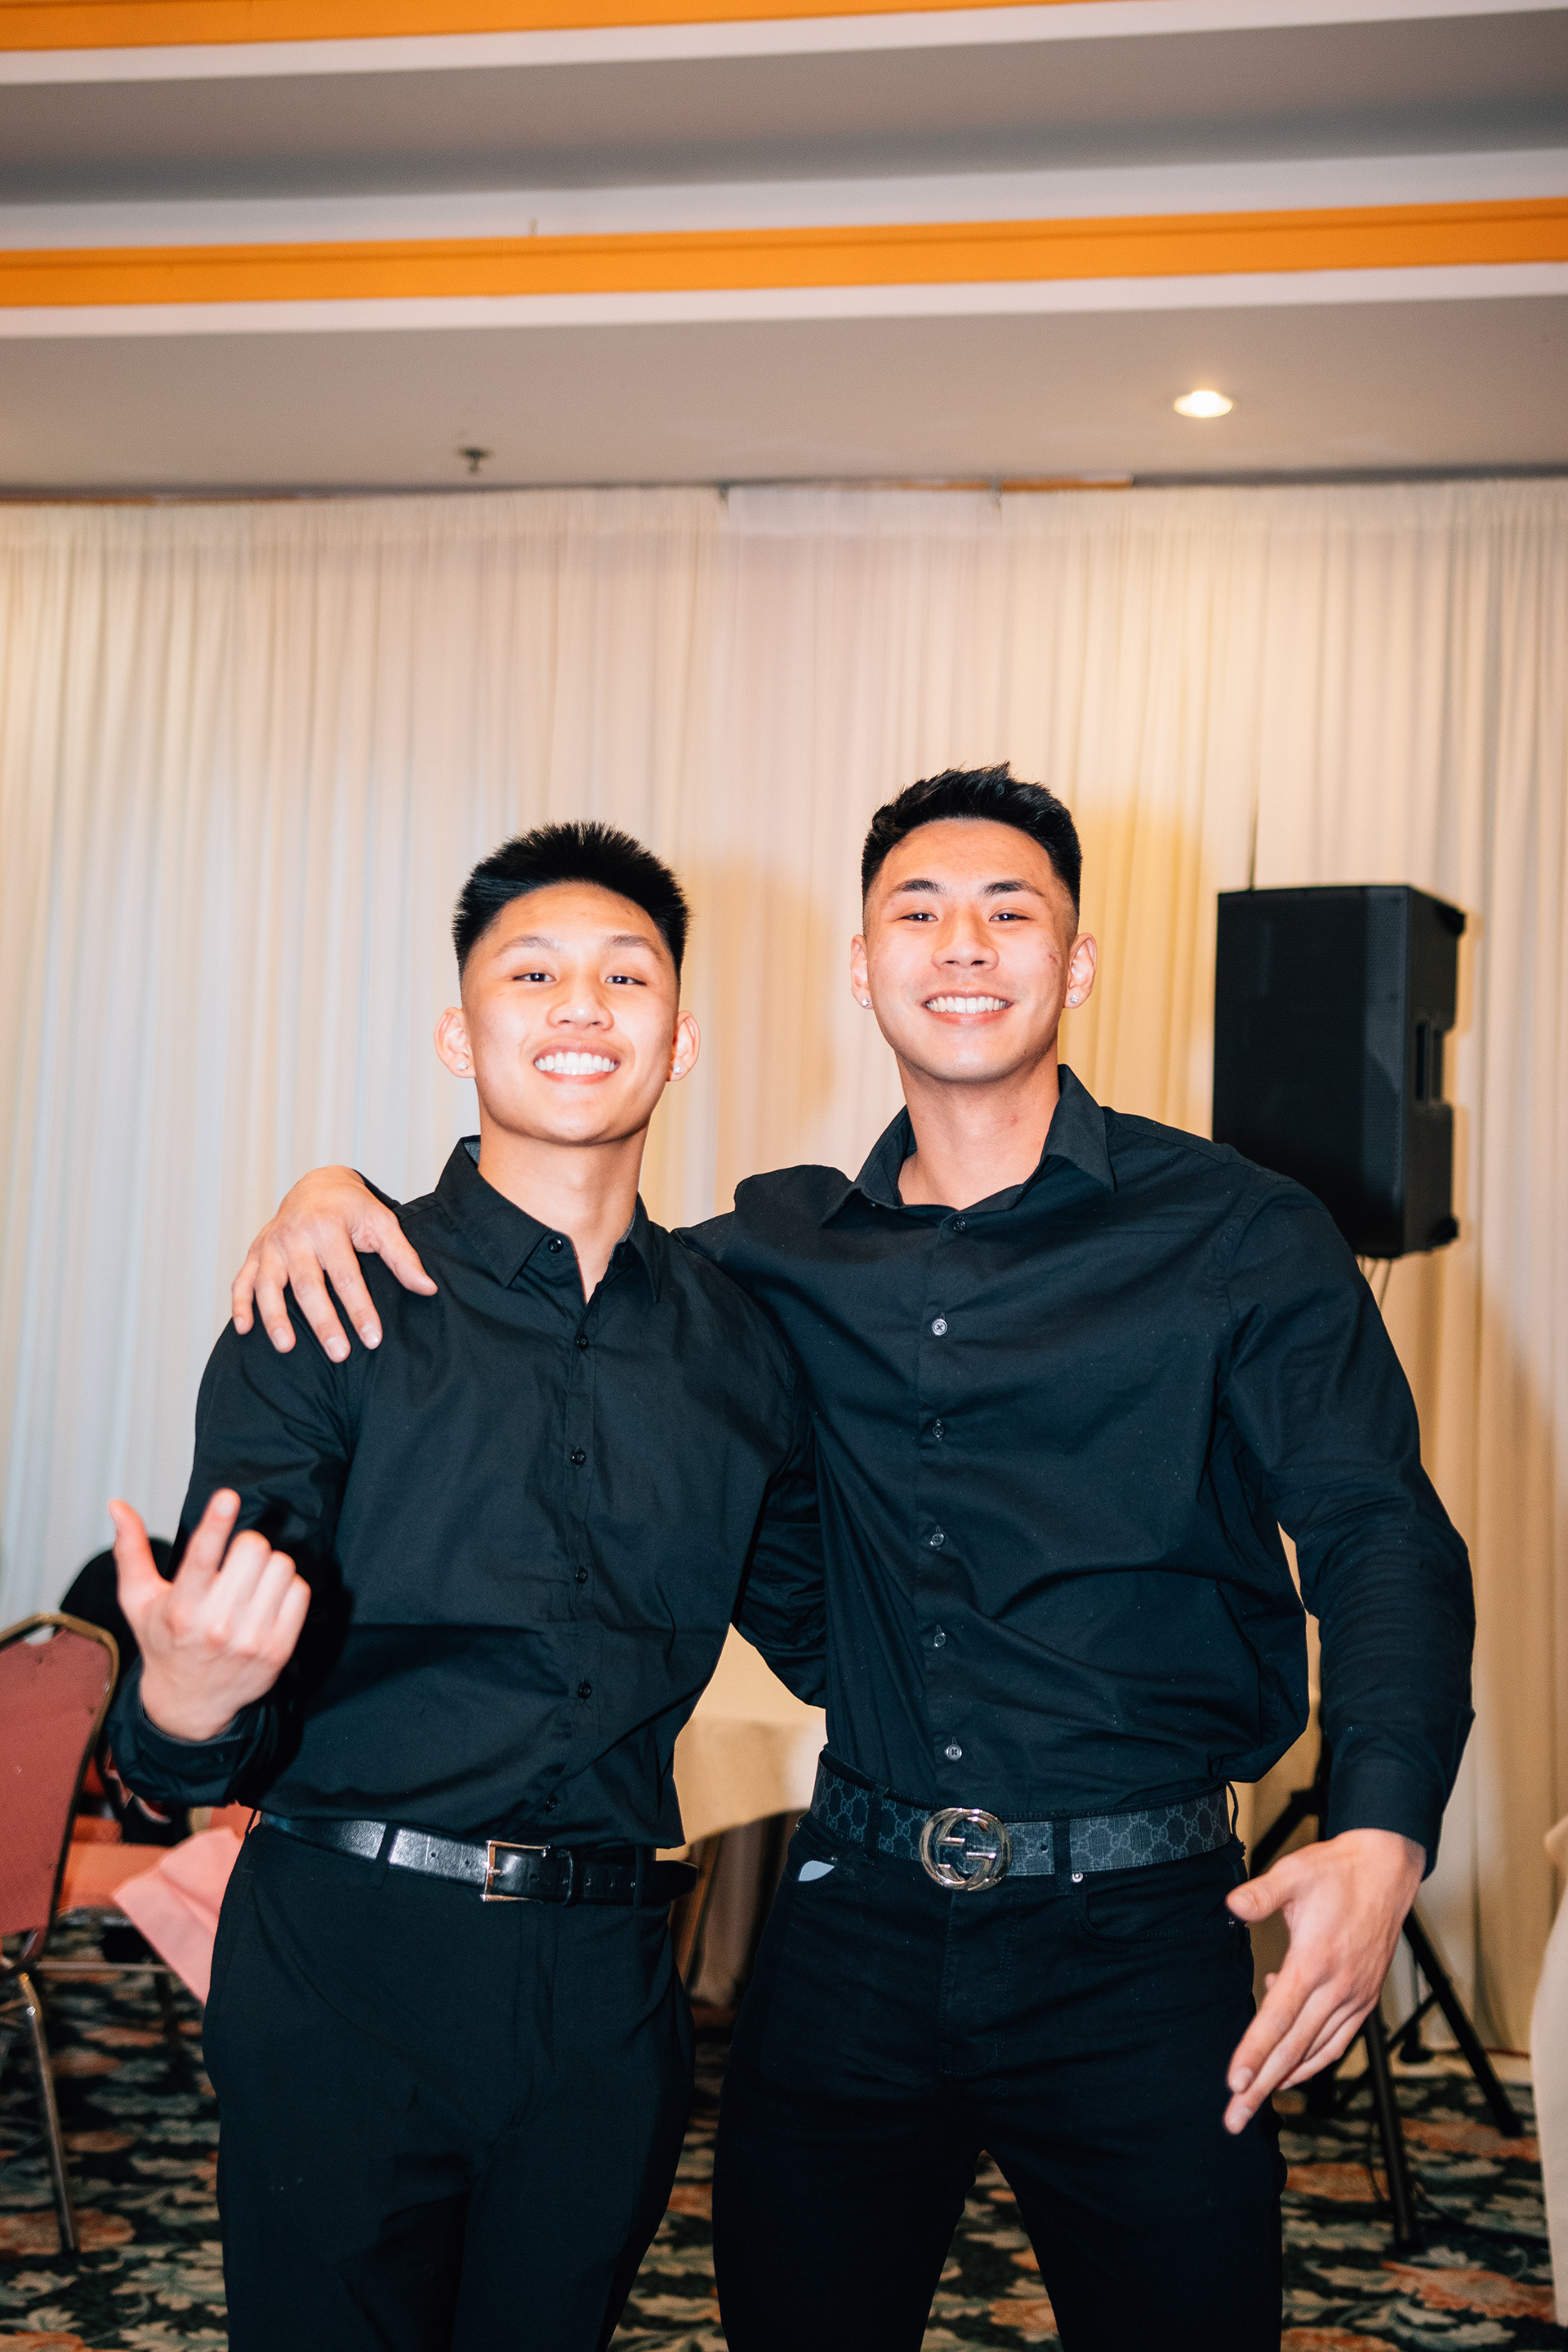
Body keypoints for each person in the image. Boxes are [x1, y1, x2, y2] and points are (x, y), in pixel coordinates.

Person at [234, 767, 1475, 2352]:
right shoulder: (769, 1263)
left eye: (1009, 911)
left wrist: (1383, 1830)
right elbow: (561, 1262)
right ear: (862, 966)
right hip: (858, 1922)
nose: (963, 944)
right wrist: (331, 1194)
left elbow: (1380, 1532)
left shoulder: (1241, 1235)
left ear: (1078, 963)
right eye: (919, 911)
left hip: (1140, 1925)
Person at [104, 821, 823, 2352]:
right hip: (345, 1955)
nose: (582, 1006)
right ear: (459, 1033)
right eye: (533, 973)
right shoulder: (328, 1291)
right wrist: (183, 1696)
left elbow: (843, 1632)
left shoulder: (741, 1344)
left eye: (626, 976)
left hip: (611, 1980)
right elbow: (194, 1725)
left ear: (681, 1039)